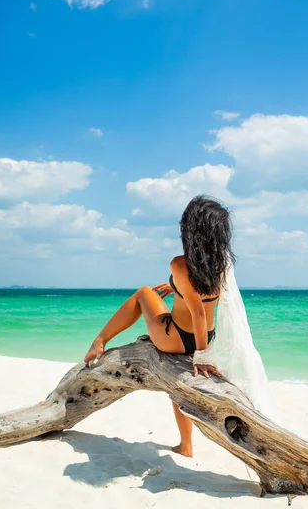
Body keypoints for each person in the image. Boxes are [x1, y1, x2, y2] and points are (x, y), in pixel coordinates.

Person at [84, 195, 234, 458]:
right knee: (177, 383)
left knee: (143, 293)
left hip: (176, 339)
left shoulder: (180, 263)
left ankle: (99, 341)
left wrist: (202, 357)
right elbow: (204, 301)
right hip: (205, 336)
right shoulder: (221, 264)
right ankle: (186, 446)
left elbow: (196, 311)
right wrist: (175, 287)